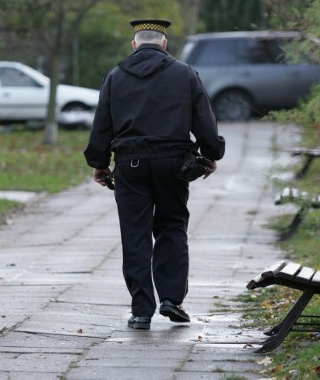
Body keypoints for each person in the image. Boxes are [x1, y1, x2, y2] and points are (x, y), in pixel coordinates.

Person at [84, 19, 225, 330]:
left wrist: (99, 162)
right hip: (173, 164)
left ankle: (141, 310)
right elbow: (204, 120)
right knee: (172, 227)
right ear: (164, 45)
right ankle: (172, 299)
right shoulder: (185, 74)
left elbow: (102, 124)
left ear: (134, 45)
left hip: (130, 165)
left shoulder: (116, 77)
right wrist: (211, 154)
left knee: (135, 235)